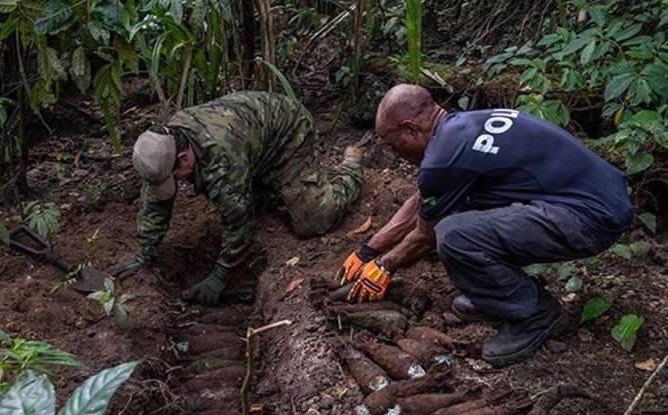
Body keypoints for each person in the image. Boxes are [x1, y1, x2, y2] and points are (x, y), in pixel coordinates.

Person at [337, 84, 633, 366]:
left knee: (452, 235)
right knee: (461, 214)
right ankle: (498, 293)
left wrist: (385, 267)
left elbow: (424, 236)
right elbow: (423, 199)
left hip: (590, 217)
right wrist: (368, 250)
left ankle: (537, 314)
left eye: (392, 144)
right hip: (599, 199)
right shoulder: (459, 127)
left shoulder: (443, 159)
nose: (393, 153)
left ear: (410, 130)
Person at [111, 91, 365, 305]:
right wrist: (145, 250)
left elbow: (239, 221)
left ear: (184, 158)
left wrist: (220, 276)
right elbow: (156, 199)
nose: (176, 182)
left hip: (288, 131)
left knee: (313, 220)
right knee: (254, 198)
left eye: (175, 176)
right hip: (252, 139)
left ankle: (350, 168)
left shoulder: (222, 158)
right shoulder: (164, 144)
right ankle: (266, 185)